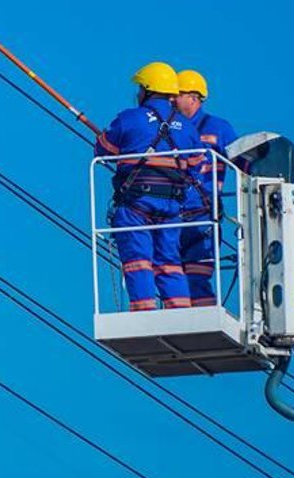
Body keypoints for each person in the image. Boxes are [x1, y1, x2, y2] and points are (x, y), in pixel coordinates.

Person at [94, 62, 203, 311]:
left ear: (146, 89)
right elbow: (197, 164)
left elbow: (103, 149)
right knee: (170, 261)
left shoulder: (129, 119)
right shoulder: (187, 127)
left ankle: (144, 310)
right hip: (172, 206)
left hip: (136, 204)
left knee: (138, 259)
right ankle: (181, 311)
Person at [175, 69, 238, 307]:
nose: (172, 99)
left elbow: (243, 163)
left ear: (194, 97)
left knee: (196, 277)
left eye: (178, 94)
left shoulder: (217, 128)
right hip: (170, 216)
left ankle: (204, 317)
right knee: (171, 279)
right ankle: (179, 323)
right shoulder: (170, 129)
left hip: (201, 218)